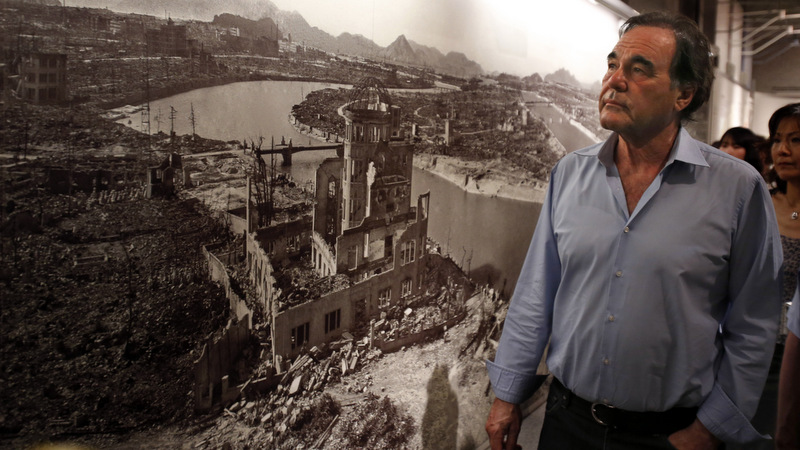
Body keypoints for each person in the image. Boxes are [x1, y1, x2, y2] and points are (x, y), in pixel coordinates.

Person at [485, 11, 783, 450]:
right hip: (567, 423)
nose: (615, 80)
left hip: (671, 435)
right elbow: (536, 292)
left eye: (639, 69)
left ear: (684, 94)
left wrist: (710, 429)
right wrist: (507, 394)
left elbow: (755, 321)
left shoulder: (736, 189)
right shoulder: (570, 173)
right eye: (612, 65)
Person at [771, 103, 800, 450]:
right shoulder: (758, 202)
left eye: (795, 140)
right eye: (778, 139)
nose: (783, 149)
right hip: (756, 351)